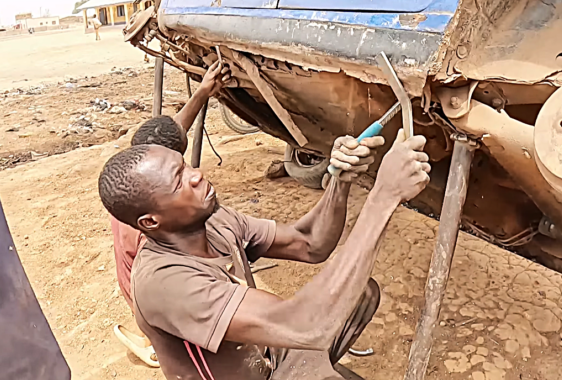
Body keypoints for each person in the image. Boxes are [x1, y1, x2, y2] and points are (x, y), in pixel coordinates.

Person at [97, 127, 430, 379]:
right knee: (325, 316)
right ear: (151, 221)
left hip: (269, 359)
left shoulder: (213, 221)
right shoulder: (166, 284)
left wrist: (340, 181)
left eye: (186, 166)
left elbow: (309, 242)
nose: (197, 175)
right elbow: (306, 325)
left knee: (359, 293)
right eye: (179, 180)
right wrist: (384, 196)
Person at [110, 61, 230, 367]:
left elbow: (175, 129)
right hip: (150, 302)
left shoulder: (131, 182)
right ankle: (157, 340)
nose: (193, 174)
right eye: (177, 172)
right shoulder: (154, 230)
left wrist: (203, 91)